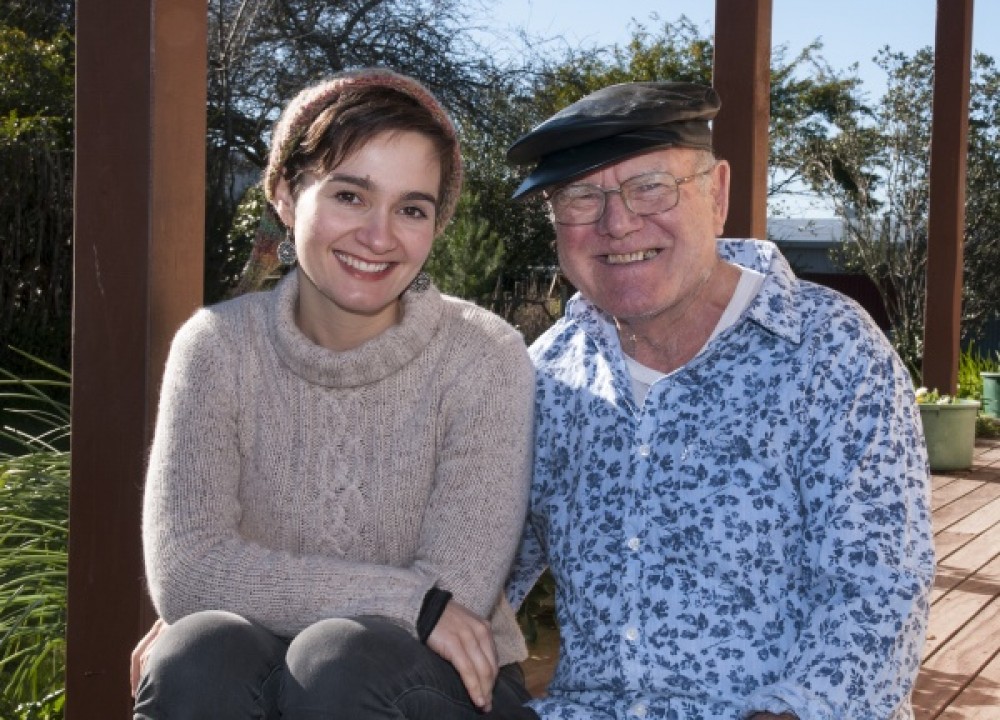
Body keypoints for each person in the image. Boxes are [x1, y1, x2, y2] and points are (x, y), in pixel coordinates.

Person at [504, 81, 935, 720]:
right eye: (579, 197)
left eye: (650, 185)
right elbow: (480, 570)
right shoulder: (544, 377)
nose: (617, 222)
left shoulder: (831, 351)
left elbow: (875, 595)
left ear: (718, 194)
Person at [131, 68, 539, 720]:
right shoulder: (216, 348)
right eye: (350, 195)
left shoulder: (482, 357)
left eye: (411, 209)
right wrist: (409, 600)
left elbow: (455, 594)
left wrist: (412, 607)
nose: (380, 236)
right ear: (287, 197)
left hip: (435, 688)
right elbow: (188, 572)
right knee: (197, 653)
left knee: (338, 659)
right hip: (265, 671)